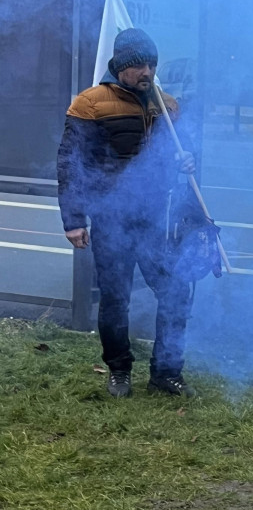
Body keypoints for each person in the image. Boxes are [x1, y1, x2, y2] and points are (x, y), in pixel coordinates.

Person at [57, 28, 199, 399]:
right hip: (111, 219)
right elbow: (71, 164)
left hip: (156, 218)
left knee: (175, 291)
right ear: (120, 66)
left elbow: (179, 151)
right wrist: (73, 219)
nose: (146, 72)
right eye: (138, 65)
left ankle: (167, 372)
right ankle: (119, 370)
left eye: (151, 64)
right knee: (116, 299)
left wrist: (186, 161)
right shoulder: (89, 104)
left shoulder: (166, 105)